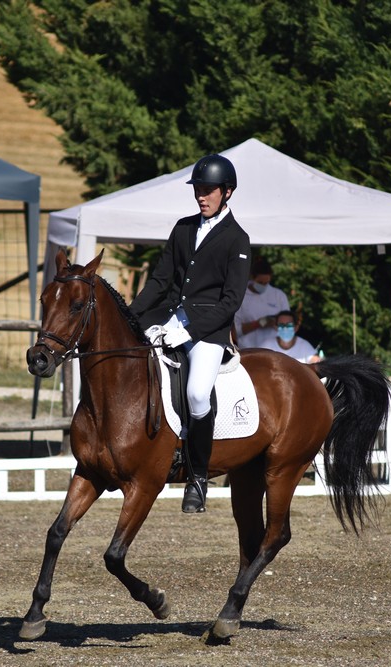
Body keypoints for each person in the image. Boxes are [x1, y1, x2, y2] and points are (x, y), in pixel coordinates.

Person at [129, 154, 251, 514]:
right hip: (170, 321)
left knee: (198, 393)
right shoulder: (183, 228)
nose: (201, 196)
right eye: (198, 189)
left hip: (209, 332)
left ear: (227, 192)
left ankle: (198, 477)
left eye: (208, 190)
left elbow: (231, 302)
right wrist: (131, 315)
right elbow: (160, 281)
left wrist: (191, 331)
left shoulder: (237, 239)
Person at [232, 256, 290, 349]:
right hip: (247, 349)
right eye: (260, 282)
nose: (263, 285)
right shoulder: (241, 295)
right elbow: (235, 331)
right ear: (252, 277)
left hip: (274, 350)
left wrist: (276, 323)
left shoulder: (279, 296)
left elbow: (288, 325)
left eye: (266, 282)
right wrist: (258, 324)